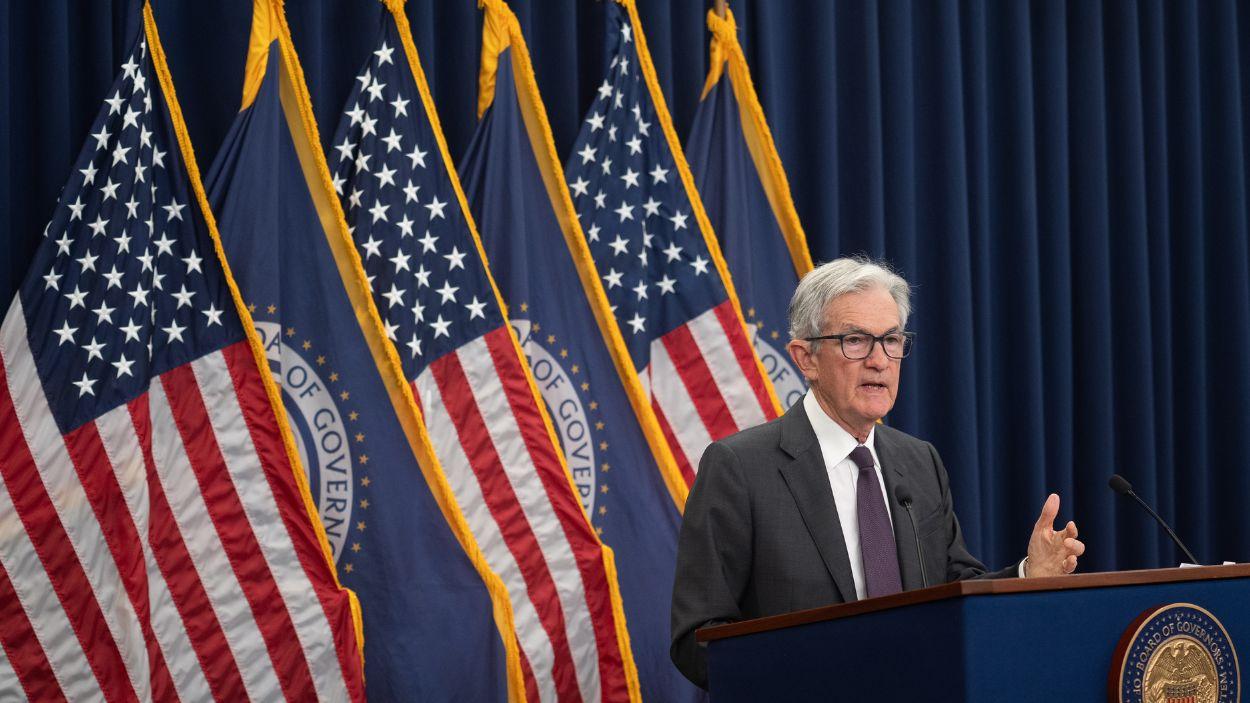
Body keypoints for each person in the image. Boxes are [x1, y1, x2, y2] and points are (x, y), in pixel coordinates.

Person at [669, 256, 1085, 689]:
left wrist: (1027, 575)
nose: (879, 360)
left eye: (891, 340)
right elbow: (697, 639)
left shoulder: (919, 461)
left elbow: (956, 594)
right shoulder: (740, 468)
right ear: (805, 358)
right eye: (855, 340)